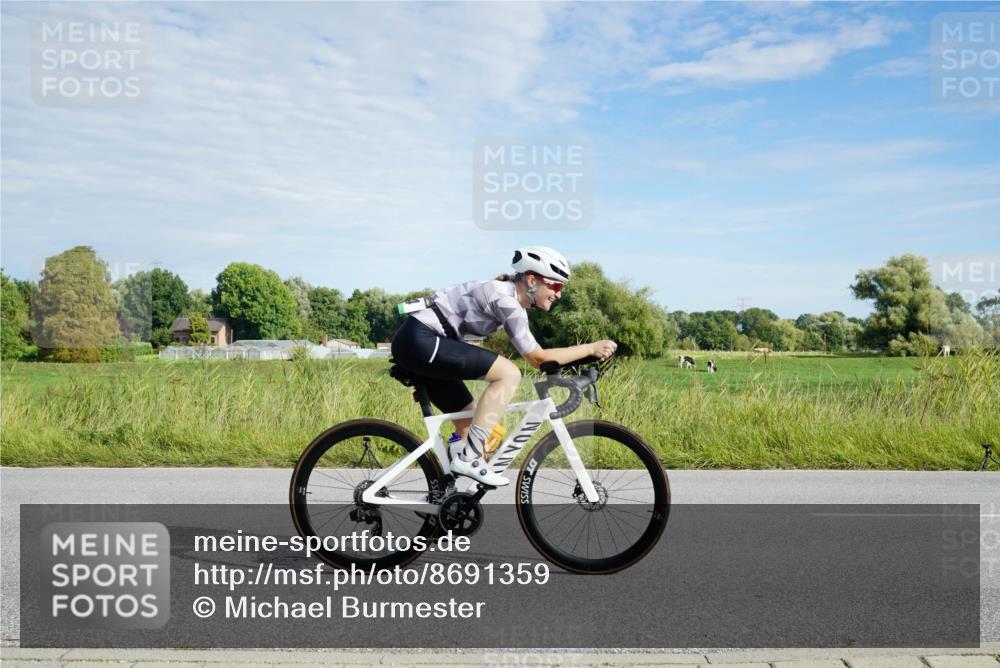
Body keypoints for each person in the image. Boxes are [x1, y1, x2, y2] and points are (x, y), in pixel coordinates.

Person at [390, 246, 618, 487]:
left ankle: (448, 494)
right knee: (509, 374)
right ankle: (468, 459)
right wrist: (591, 348)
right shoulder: (506, 299)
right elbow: (537, 358)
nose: (559, 294)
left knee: (470, 422)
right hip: (421, 340)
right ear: (532, 280)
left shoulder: (511, 302)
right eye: (556, 286)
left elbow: (542, 358)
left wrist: (584, 358)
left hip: (423, 343)